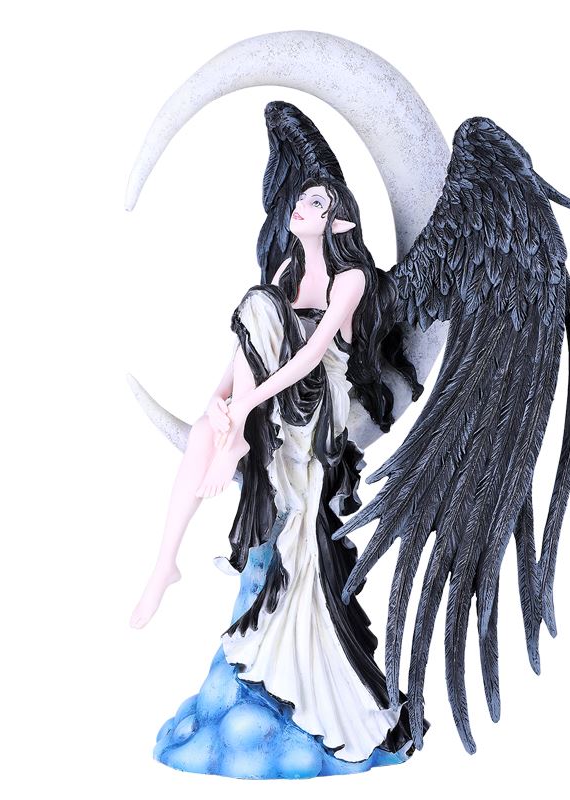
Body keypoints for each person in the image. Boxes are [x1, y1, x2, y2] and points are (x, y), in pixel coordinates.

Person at [131, 177, 425, 777]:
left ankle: (236, 437)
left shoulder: (351, 277)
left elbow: (314, 354)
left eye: (317, 202)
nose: (301, 207)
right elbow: (248, 349)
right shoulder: (288, 271)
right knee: (211, 412)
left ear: (339, 222)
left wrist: (243, 405)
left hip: (318, 412)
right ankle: (165, 562)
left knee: (259, 305)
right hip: (269, 402)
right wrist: (218, 402)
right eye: (302, 199)